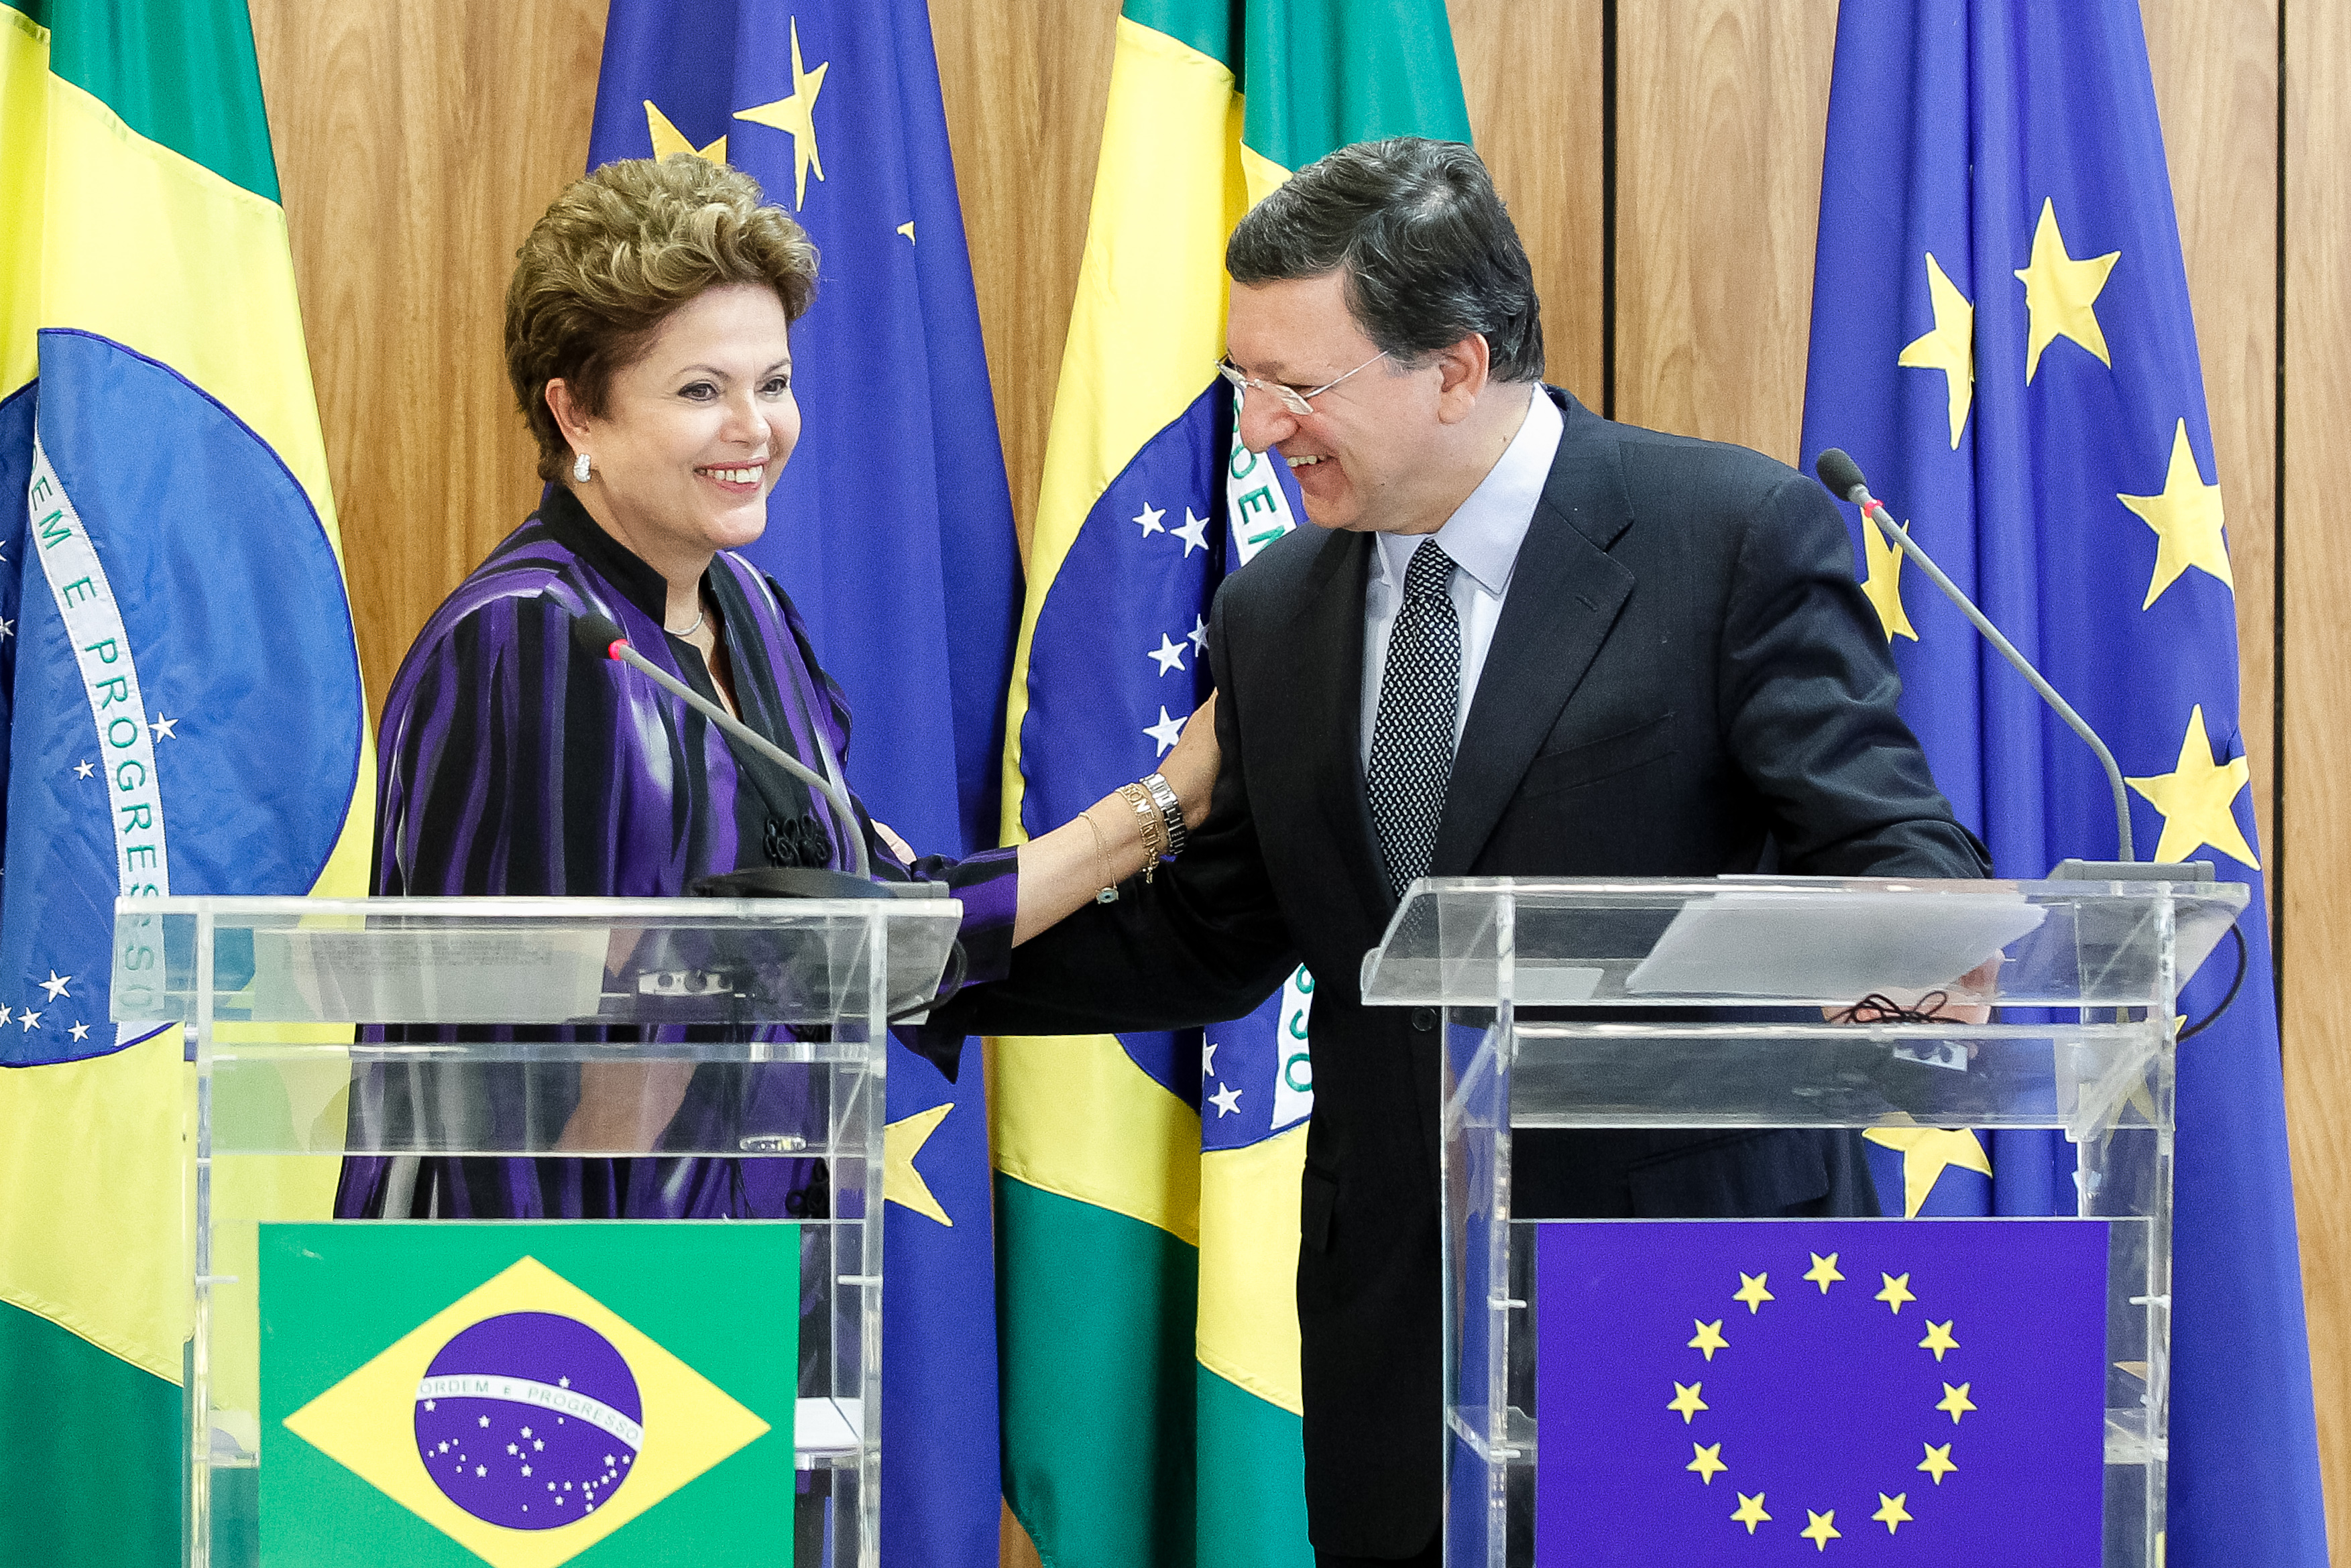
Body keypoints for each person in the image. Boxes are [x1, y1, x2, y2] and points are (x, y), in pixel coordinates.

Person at [933, 138, 1990, 1567]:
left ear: (1452, 366)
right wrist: (907, 959)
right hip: (1400, 1332)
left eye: (1297, 388)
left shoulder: (1726, 535)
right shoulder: (1278, 609)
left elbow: (1893, 849)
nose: (1257, 430)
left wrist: (1916, 936)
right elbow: (1219, 932)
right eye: (1245, 381)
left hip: (1701, 1303)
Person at [336, 153, 1216, 1222]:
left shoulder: (748, 611)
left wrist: (1166, 818)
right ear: (577, 417)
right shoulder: (527, 644)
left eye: (774, 383)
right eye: (701, 391)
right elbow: (520, 1074)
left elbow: (874, 920)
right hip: (570, 1301)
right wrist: (1153, 810)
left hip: (770, 1265)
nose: (755, 430)